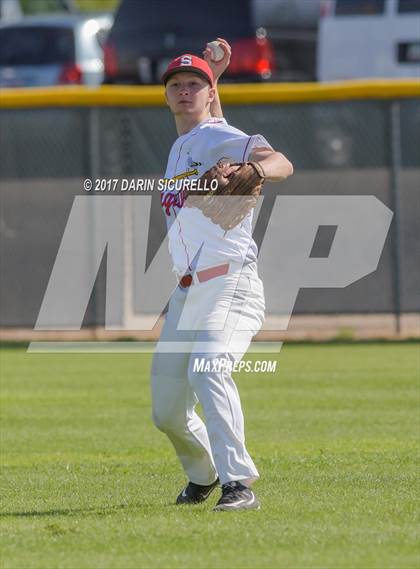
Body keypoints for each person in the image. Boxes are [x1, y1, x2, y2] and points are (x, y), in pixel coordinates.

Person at [151, 39, 293, 511]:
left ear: (208, 95)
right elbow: (214, 128)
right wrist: (215, 79)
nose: (185, 90)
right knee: (166, 411)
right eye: (177, 85)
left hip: (230, 282)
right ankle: (204, 473)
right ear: (167, 96)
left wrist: (255, 168)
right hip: (187, 294)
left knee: (208, 369)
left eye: (195, 84)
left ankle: (239, 483)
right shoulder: (184, 145)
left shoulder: (215, 136)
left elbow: (280, 162)